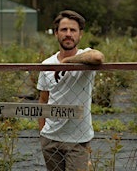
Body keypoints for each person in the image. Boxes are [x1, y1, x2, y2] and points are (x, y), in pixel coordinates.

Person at [37, 10, 105, 171]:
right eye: (64, 30)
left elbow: (98, 58)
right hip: (50, 139)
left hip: (78, 139)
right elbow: (43, 100)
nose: (68, 34)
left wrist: (68, 61)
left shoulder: (85, 58)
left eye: (73, 30)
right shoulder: (47, 64)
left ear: (80, 34)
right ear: (56, 34)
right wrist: (42, 132)